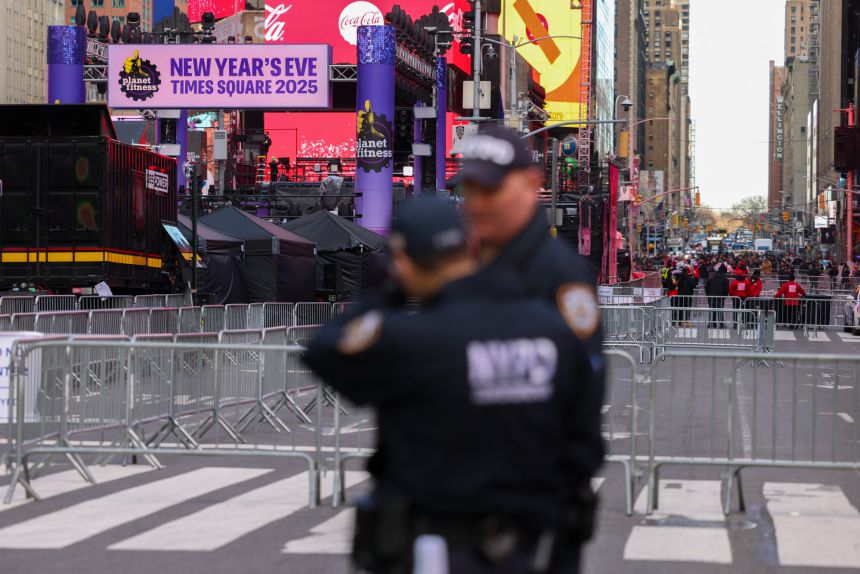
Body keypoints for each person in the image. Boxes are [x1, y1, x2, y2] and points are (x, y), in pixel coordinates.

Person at [305, 196, 600, 574]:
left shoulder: (412, 339)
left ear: (403, 260)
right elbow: (585, 445)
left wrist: (385, 293)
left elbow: (324, 351)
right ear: (472, 247)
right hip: (532, 544)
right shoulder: (553, 330)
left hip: (437, 543)